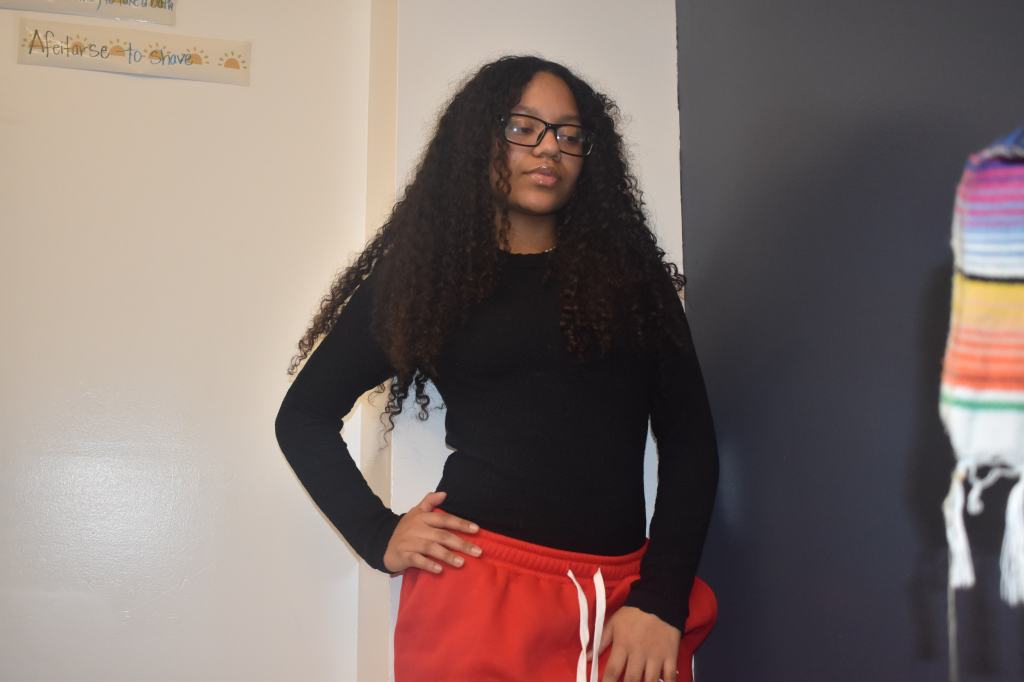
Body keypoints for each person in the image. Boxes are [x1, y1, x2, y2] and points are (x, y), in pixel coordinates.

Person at [274, 54, 719, 682]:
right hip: (476, 596)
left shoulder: (632, 283)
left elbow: (691, 442)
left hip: (624, 613)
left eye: (569, 134)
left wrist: (663, 599)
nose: (549, 148)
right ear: (478, 140)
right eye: (522, 128)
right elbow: (304, 417)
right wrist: (378, 534)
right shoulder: (428, 281)